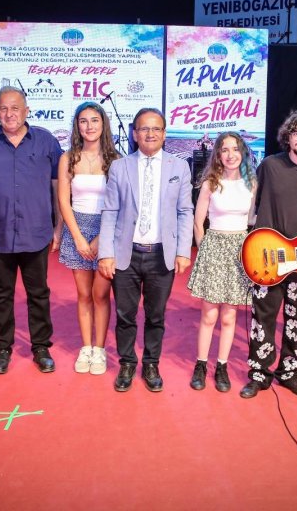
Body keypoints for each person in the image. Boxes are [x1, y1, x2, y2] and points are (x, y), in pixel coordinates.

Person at [0, 86, 63, 375]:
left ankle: (41, 347)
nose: (9, 114)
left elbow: (58, 185)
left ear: (26, 111)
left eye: (15, 108)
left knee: (39, 293)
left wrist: (58, 227)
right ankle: (2, 348)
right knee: (1, 294)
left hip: (36, 232)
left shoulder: (46, 142)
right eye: (3, 108)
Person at [98, 108, 194, 393]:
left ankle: (151, 363)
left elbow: (185, 211)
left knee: (156, 315)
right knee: (125, 314)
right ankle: (127, 362)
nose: (150, 134)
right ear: (135, 133)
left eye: (156, 129)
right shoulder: (120, 167)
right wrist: (106, 253)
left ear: (164, 134)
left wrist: (183, 250)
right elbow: (110, 211)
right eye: (144, 129)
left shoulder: (180, 167)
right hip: (125, 253)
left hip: (162, 254)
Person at [240, 111, 297, 399]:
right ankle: (259, 374)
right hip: (267, 257)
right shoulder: (270, 165)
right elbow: (251, 201)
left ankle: (290, 373)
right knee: (262, 319)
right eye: (296, 132)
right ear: (287, 137)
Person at [186, 132, 256, 392]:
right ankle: (201, 364)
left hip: (240, 251)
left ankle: (222, 367)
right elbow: (198, 222)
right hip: (214, 247)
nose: (230, 154)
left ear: (243, 153)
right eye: (224, 150)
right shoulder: (210, 184)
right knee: (209, 314)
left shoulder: (252, 184)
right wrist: (205, 252)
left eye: (235, 149)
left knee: (229, 316)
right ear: (217, 154)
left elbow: (252, 220)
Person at [57, 102, 120, 375]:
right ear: (77, 126)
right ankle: (86, 348)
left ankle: (100, 349)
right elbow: (63, 200)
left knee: (101, 294)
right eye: (83, 121)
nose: (89, 126)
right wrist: (78, 238)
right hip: (77, 228)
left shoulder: (116, 160)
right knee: (83, 295)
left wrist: (100, 238)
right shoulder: (68, 158)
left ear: (103, 124)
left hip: (108, 229)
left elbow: (120, 204)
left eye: (94, 120)